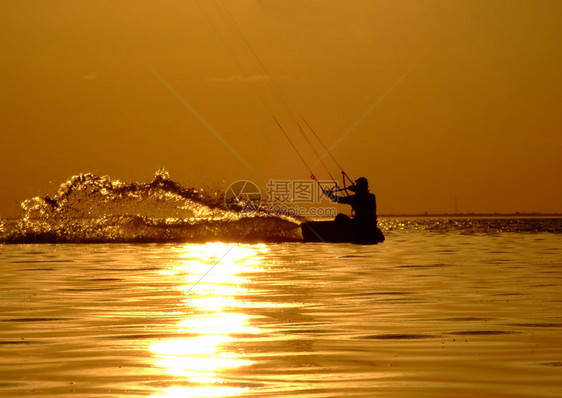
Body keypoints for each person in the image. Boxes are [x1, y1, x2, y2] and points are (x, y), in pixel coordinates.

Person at [329, 177, 384, 243]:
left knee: (340, 217)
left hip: (359, 225)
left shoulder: (356, 198)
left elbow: (338, 199)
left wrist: (329, 195)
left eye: (357, 185)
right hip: (370, 225)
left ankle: (335, 235)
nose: (356, 186)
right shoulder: (371, 196)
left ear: (360, 187)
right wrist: (355, 189)